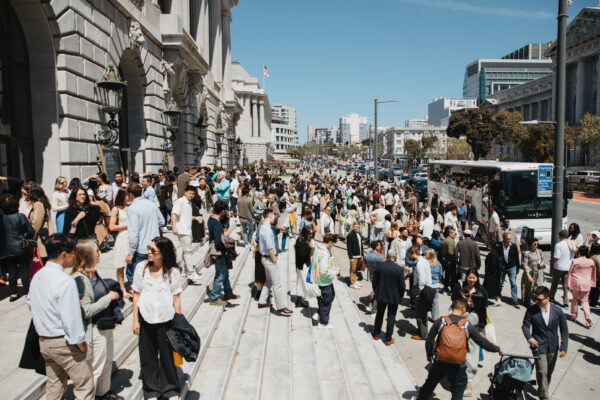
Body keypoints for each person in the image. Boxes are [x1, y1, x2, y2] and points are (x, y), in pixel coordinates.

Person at [27, 233, 94, 400]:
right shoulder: (65, 281)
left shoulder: (38, 276)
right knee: (85, 386)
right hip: (64, 342)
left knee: (55, 384)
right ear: (64, 254)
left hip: (45, 340)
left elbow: (30, 303)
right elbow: (71, 319)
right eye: (73, 252)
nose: (75, 255)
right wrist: (81, 345)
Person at [414, 297, 501, 400]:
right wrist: (497, 349)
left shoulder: (441, 321)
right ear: (463, 310)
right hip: (458, 364)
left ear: (452, 307)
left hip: (440, 361)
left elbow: (429, 340)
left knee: (430, 384)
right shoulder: (467, 325)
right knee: (458, 389)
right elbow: (482, 342)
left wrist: (429, 354)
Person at [132, 237, 182, 400]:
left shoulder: (172, 272)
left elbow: (176, 299)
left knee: (167, 356)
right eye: (149, 248)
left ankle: (170, 389)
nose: (149, 252)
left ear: (163, 253)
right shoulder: (141, 268)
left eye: (153, 250)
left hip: (166, 319)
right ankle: (151, 390)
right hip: (146, 318)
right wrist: (135, 320)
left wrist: (179, 323)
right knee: (147, 356)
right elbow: (136, 295)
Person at [71, 240, 120, 400]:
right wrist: (108, 298)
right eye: (97, 251)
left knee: (106, 362)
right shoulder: (80, 279)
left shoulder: (94, 273)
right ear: (88, 255)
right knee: (95, 367)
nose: (100, 253)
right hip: (93, 329)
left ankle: (103, 393)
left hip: (105, 325)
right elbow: (86, 311)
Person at [522, 286, 568, 400]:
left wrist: (564, 347)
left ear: (547, 298)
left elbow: (564, 330)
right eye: (535, 299)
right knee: (542, 371)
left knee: (548, 373)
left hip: (553, 346)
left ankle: (542, 389)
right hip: (538, 346)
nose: (536, 301)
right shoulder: (531, 310)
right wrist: (529, 338)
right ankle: (545, 397)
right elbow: (525, 326)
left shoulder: (558, 311)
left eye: (539, 299)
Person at [125, 183, 165, 285]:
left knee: (132, 274)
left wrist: (131, 252)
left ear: (130, 194)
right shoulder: (151, 204)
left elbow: (134, 232)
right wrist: (152, 225)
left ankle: (139, 292)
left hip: (141, 248)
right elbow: (162, 221)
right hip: (154, 245)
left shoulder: (132, 209)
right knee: (152, 272)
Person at [257, 208, 292, 314]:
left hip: (264, 257)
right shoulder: (267, 230)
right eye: (274, 216)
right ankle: (281, 306)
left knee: (269, 281)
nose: (275, 218)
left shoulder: (262, 227)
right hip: (269, 258)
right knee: (277, 283)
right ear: (270, 215)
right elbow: (270, 248)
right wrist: (274, 259)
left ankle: (262, 301)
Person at [0, 194, 34, 301]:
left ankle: (13, 294)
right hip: (20, 246)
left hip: (7, 248)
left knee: (12, 270)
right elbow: (31, 231)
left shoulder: (1, 219)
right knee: (24, 269)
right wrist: (24, 236)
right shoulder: (20, 216)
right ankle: (27, 292)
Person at [207, 199, 239, 306]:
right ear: (222, 211)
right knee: (220, 274)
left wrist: (226, 217)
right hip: (219, 252)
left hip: (219, 251)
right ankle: (214, 297)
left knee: (225, 273)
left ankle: (228, 293)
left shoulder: (212, 219)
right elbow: (218, 241)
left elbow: (222, 221)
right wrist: (225, 248)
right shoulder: (216, 224)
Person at [372, 249, 405, 345]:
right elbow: (402, 285)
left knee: (380, 314)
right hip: (393, 296)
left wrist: (376, 291)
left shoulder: (379, 266)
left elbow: (374, 282)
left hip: (381, 294)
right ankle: (388, 338)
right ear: (394, 256)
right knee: (391, 317)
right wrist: (401, 295)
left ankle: (376, 333)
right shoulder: (398, 269)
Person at [171, 185, 201, 282]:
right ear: (185, 192)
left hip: (187, 231)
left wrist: (195, 218)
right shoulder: (180, 201)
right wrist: (174, 226)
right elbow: (174, 214)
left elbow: (185, 216)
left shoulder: (189, 203)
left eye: (193, 194)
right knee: (187, 252)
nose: (191, 195)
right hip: (182, 230)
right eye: (190, 193)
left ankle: (184, 270)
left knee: (185, 251)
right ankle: (191, 272)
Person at [464, 291, 491, 397]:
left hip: (470, 343)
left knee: (468, 365)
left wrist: (464, 316)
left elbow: (464, 324)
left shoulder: (473, 316)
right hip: (474, 342)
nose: (469, 300)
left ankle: (468, 389)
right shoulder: (482, 312)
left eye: (471, 300)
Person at [313, 233, 340, 329]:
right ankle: (323, 323)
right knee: (327, 300)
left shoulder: (319, 249)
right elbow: (324, 271)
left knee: (331, 295)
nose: (333, 246)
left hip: (320, 279)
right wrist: (335, 272)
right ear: (330, 242)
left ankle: (319, 313)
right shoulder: (324, 253)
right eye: (333, 244)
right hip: (324, 280)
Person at [565, 246, 596, 328]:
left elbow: (570, 272)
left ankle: (573, 316)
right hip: (587, 283)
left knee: (574, 300)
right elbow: (593, 273)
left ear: (579, 252)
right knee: (585, 301)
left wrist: (568, 284)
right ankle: (588, 318)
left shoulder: (575, 261)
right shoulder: (591, 262)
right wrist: (592, 282)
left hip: (576, 282)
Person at [108, 188, 130, 298]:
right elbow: (111, 226)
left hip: (131, 237)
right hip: (122, 236)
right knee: (120, 264)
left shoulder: (130, 207)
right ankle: (122, 288)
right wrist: (126, 226)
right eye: (127, 195)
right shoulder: (115, 209)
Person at [410, 246, 432, 340]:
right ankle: (420, 330)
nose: (410, 257)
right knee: (421, 313)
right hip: (426, 289)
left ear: (414, 253)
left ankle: (423, 334)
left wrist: (419, 293)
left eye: (410, 255)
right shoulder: (424, 261)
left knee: (421, 313)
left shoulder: (420, 264)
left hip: (422, 291)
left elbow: (422, 279)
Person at [28, 185, 55, 261]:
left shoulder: (38, 204)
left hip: (41, 239)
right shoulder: (44, 203)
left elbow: (37, 223)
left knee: (41, 261)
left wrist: (32, 239)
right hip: (46, 237)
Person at [550, 230, 573, 307]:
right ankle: (566, 302)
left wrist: (552, 261)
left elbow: (556, 257)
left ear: (560, 236)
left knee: (555, 283)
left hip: (558, 267)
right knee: (566, 286)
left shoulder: (558, 245)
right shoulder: (571, 244)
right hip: (568, 267)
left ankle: (551, 296)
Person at [498, 231, 521, 308]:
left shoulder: (513, 246)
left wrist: (518, 268)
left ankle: (515, 300)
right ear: (504, 239)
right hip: (502, 267)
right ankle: (498, 296)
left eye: (510, 239)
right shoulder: (499, 246)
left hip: (512, 267)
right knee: (500, 282)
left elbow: (516, 257)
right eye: (507, 239)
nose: (509, 240)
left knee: (513, 283)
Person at [522, 238, 546, 308]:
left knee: (538, 287)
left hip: (539, 273)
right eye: (534, 244)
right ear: (530, 245)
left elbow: (543, 259)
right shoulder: (526, 253)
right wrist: (528, 275)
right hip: (530, 273)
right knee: (530, 288)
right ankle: (529, 303)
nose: (536, 245)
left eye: (537, 244)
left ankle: (537, 302)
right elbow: (525, 265)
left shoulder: (539, 251)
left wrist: (542, 264)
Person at [294, 226, 313, 308]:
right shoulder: (301, 242)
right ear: (306, 233)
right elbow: (302, 255)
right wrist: (309, 247)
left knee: (300, 283)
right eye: (310, 233)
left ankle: (298, 301)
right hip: (303, 265)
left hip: (300, 265)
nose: (311, 235)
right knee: (305, 284)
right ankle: (318, 297)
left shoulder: (301, 240)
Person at [483, 240, 502, 306]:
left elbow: (493, 265)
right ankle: (498, 300)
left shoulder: (493, 254)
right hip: (493, 274)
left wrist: (489, 273)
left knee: (492, 288)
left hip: (492, 275)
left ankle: (486, 300)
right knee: (495, 288)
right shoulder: (494, 253)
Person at [346, 221, 363, 289]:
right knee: (353, 269)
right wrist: (351, 257)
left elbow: (361, 245)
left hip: (359, 255)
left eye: (357, 227)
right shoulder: (350, 235)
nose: (356, 228)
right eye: (355, 227)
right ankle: (352, 283)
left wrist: (362, 255)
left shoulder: (358, 233)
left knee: (356, 269)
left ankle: (355, 280)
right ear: (353, 227)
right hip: (354, 255)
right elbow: (349, 247)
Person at [426, 249, 442, 320]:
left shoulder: (426, 263)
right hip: (435, 285)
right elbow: (440, 274)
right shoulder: (438, 264)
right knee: (435, 302)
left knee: (426, 301)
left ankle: (425, 317)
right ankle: (435, 318)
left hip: (427, 285)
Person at [441, 227, 457, 293]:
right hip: (449, 261)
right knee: (452, 276)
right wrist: (455, 256)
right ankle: (450, 289)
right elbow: (450, 252)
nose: (455, 235)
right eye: (454, 234)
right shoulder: (450, 241)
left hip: (445, 260)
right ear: (450, 234)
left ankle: (445, 288)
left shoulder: (446, 240)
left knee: (447, 276)